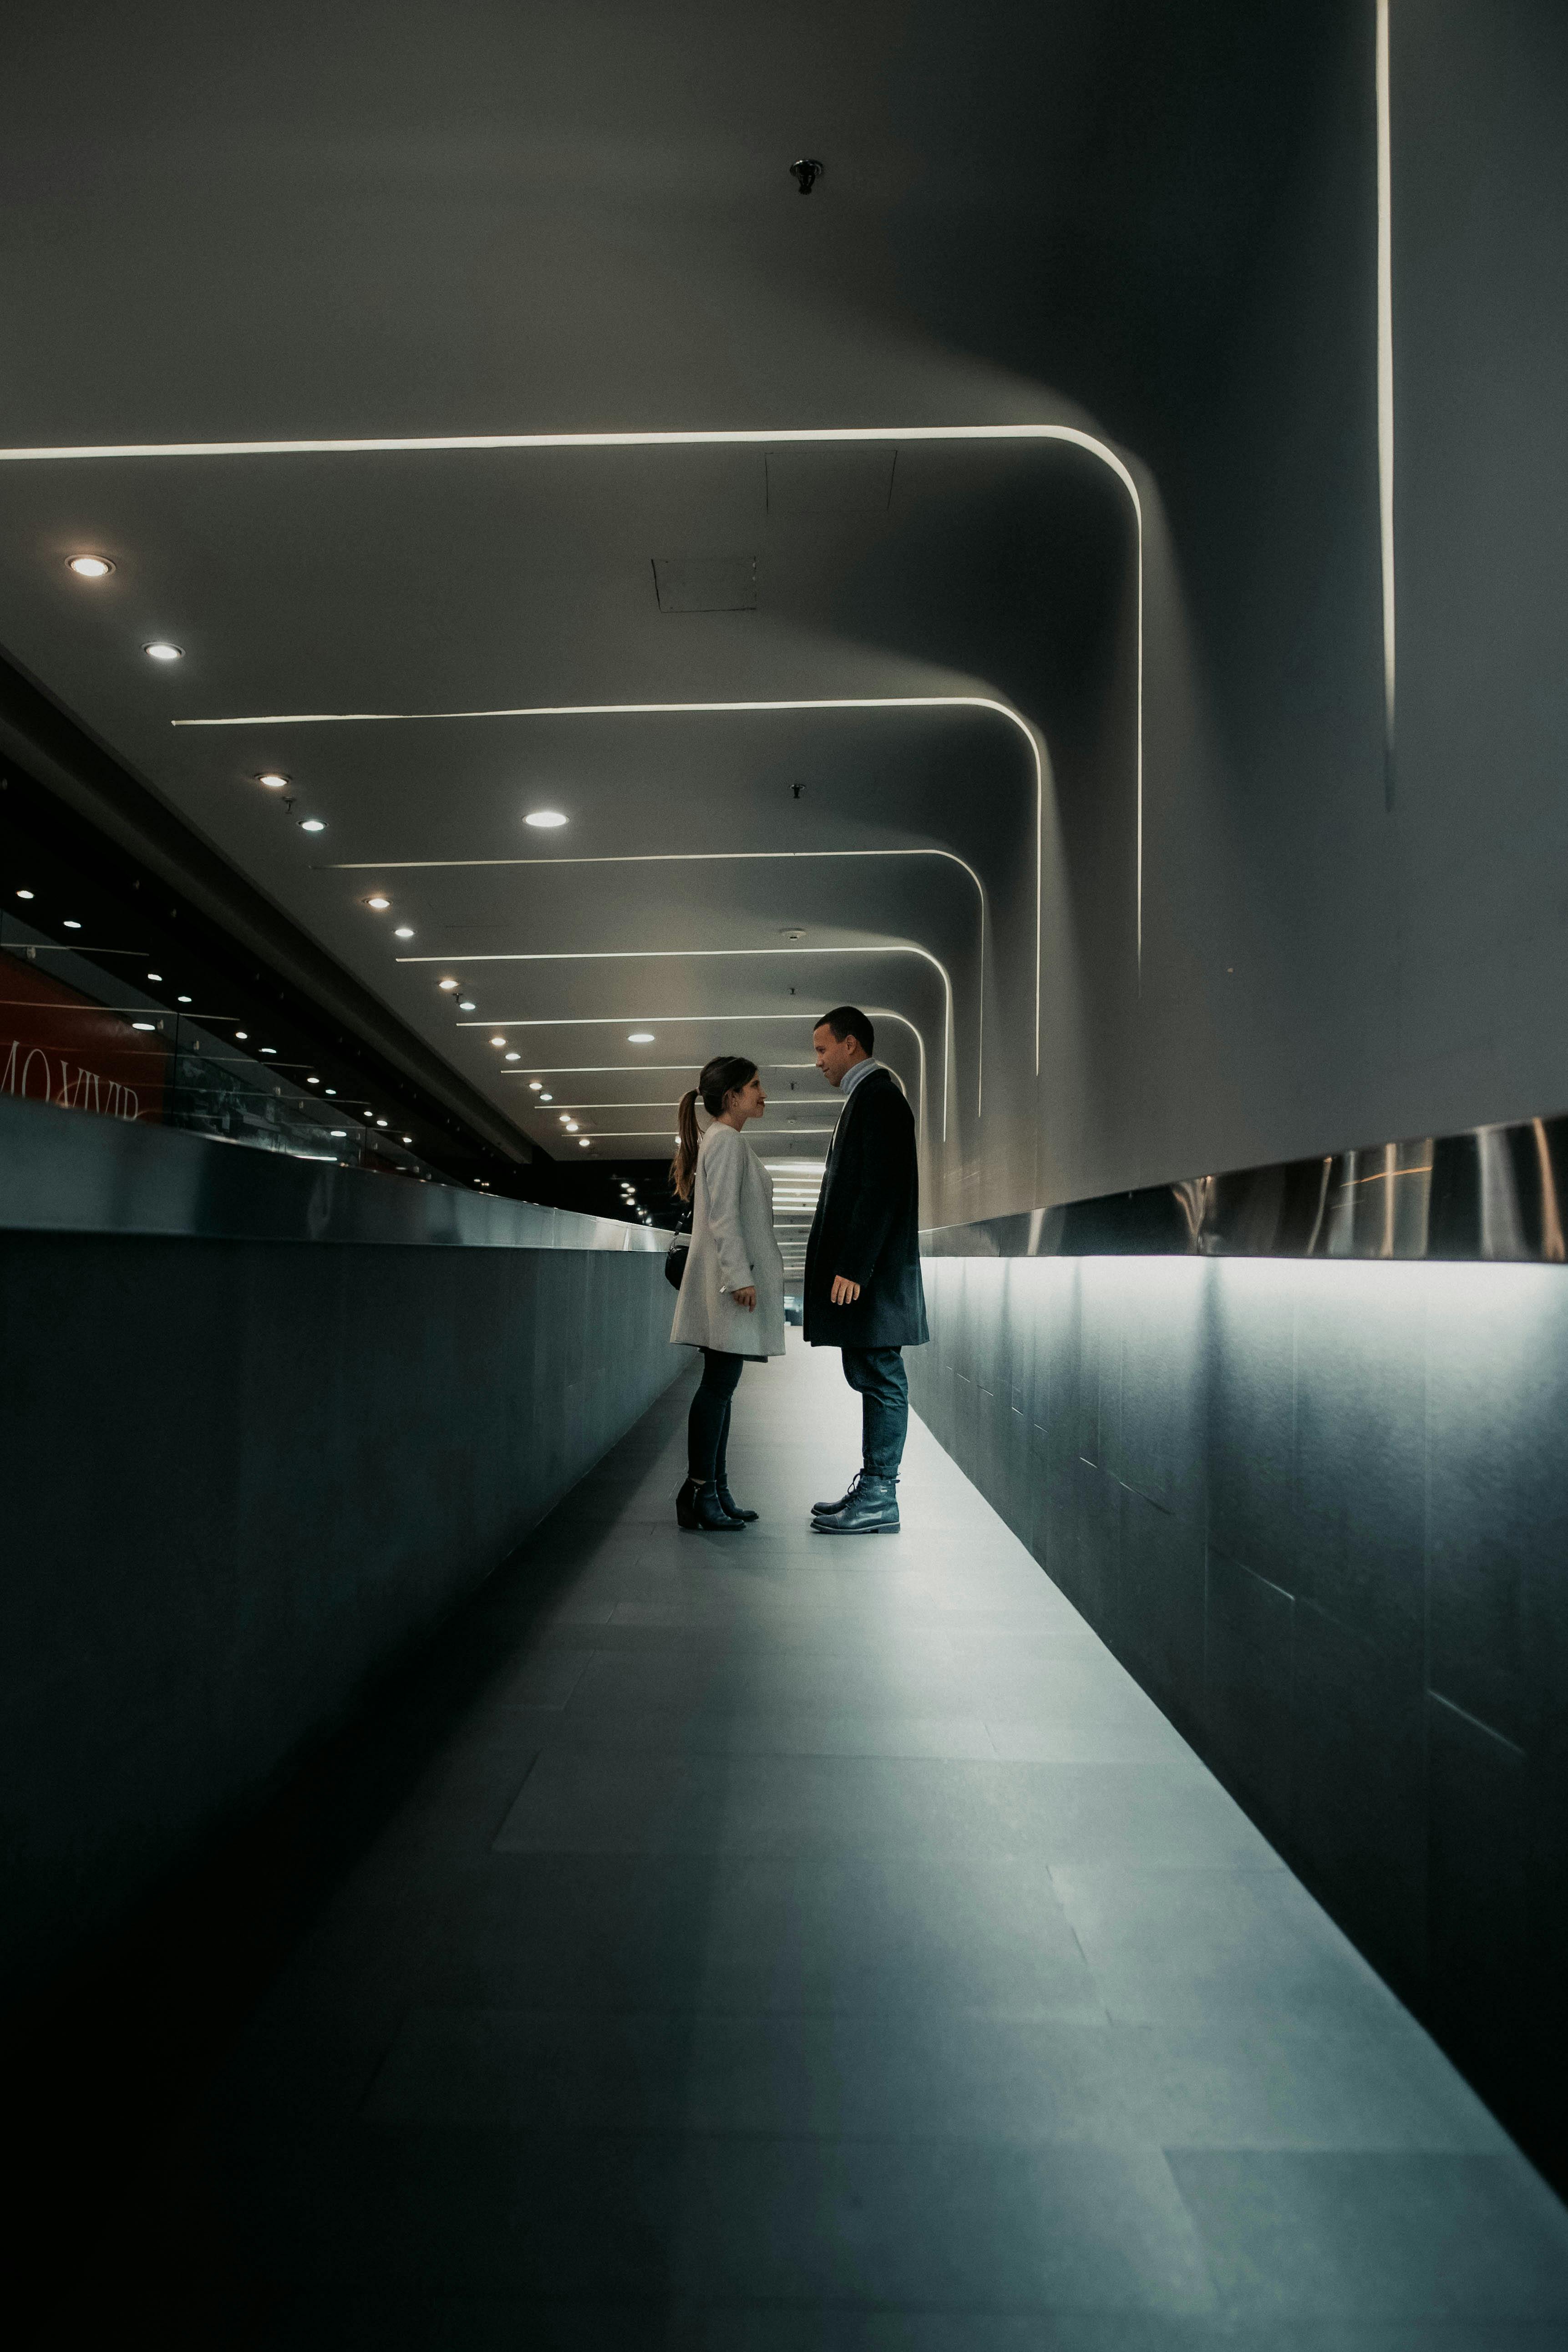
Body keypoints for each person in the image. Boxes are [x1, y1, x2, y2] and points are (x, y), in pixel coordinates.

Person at [803, 1006, 929, 1534]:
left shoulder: (880, 1097)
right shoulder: (868, 1097)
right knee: (869, 1372)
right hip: (870, 1276)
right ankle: (874, 1488)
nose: (818, 1062)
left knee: (879, 1376)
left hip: (872, 1277)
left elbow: (879, 1188)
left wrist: (855, 1266)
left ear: (850, 1044)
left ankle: (881, 1495)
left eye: (821, 1049)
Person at [669, 1054, 786, 1530]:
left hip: (727, 1285)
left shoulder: (726, 1141)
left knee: (722, 1388)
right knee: (717, 1388)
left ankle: (714, 1488)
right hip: (726, 1287)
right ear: (732, 1095)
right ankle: (699, 1491)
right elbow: (722, 1216)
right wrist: (739, 1277)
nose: (763, 1093)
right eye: (755, 1085)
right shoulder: (724, 1142)